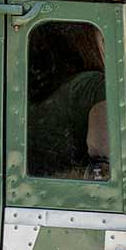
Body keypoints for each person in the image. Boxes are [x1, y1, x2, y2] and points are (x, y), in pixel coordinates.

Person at [28, 23, 109, 178]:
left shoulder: (33, 91)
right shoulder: (94, 87)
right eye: (105, 40)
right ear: (87, 43)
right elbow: (104, 158)